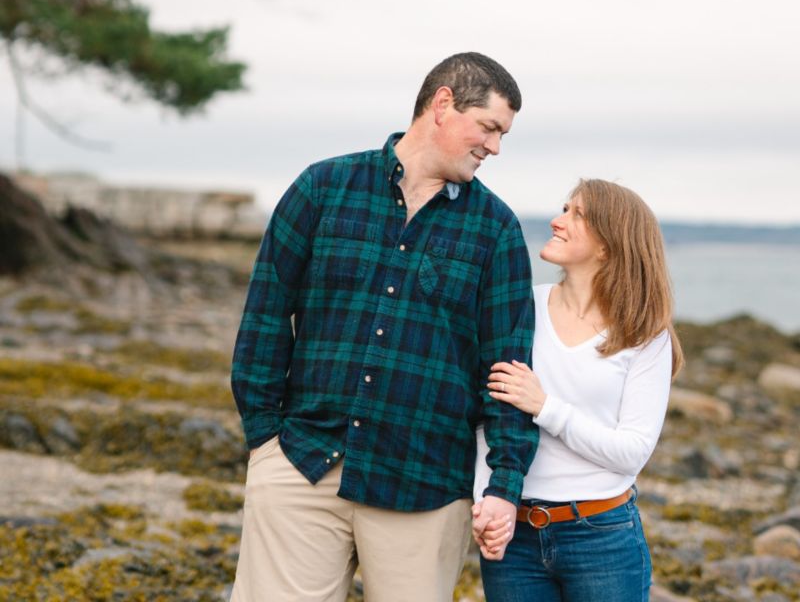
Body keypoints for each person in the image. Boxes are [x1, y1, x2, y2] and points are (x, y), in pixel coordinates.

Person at [230, 52, 539, 602]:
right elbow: (265, 318)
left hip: (425, 485)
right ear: (443, 104)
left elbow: (507, 370)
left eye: (502, 134)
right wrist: (265, 440)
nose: (494, 147)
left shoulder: (496, 231)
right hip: (304, 464)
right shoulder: (324, 189)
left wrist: (505, 481)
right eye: (489, 127)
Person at [473, 179, 684, 602]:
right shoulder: (522, 308)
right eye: (564, 209)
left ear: (607, 245)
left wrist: (545, 407)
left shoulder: (644, 335)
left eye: (577, 214)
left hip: (601, 538)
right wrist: (487, 501)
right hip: (514, 536)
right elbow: (486, 415)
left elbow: (632, 452)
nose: (558, 220)